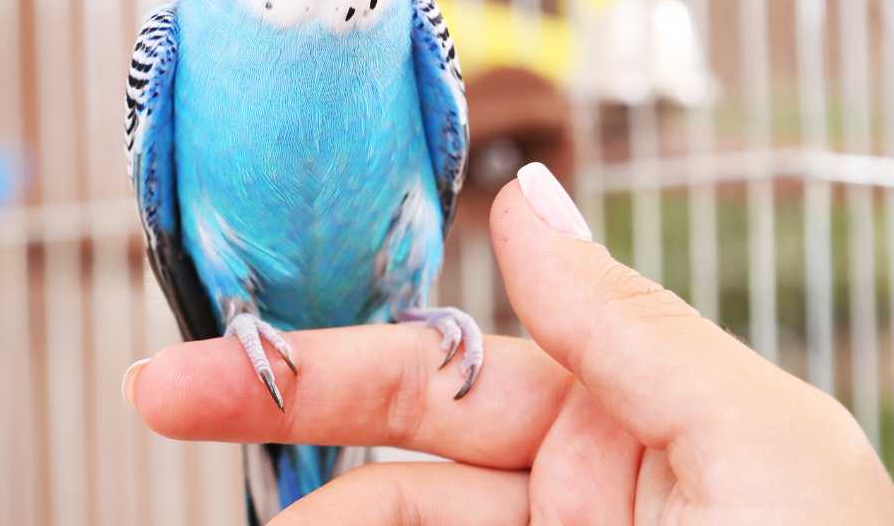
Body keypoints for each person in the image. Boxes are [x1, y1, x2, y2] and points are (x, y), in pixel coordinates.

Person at [121, 163, 894, 524]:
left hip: (390, 320)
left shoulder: (411, 21)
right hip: (251, 325)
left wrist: (420, 311)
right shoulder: (177, 36)